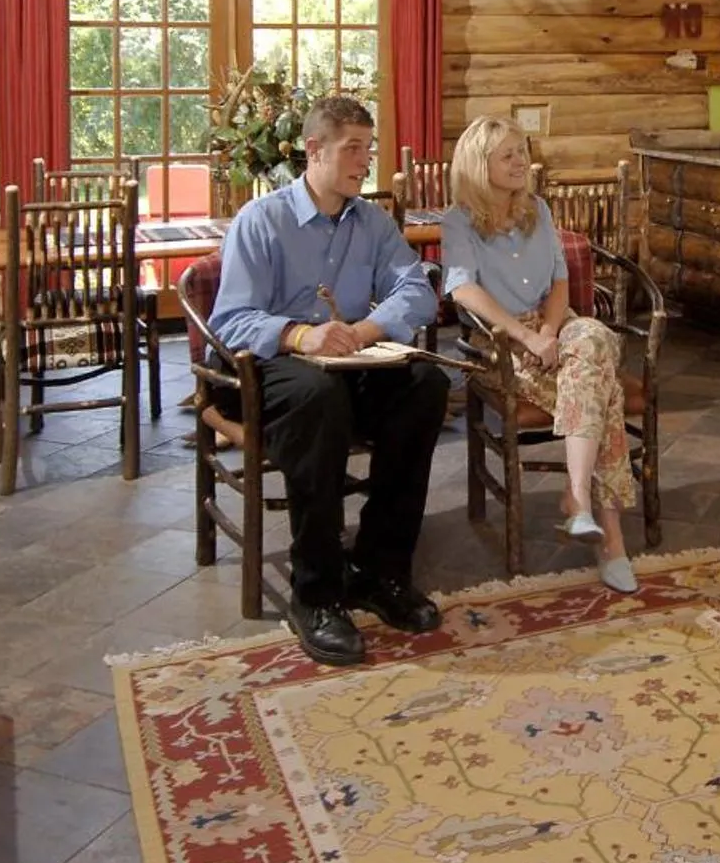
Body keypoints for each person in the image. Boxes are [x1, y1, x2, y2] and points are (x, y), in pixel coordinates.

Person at [208, 94, 448, 666]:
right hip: (268, 368)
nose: (365, 162)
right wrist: (299, 335)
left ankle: (379, 570)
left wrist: (366, 329)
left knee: (427, 385)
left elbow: (416, 291)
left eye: (369, 149)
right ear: (314, 150)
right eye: (353, 149)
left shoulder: (372, 223)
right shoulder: (260, 221)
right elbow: (230, 319)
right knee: (318, 398)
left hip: (346, 363)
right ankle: (315, 593)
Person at [440, 117, 640, 593]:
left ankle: (577, 498)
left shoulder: (539, 210)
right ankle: (610, 540)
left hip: (554, 326)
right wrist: (526, 338)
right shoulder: (458, 220)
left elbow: (559, 283)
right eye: (507, 154)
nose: (520, 162)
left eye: (521, 151)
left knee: (590, 337)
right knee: (602, 390)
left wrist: (550, 330)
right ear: (478, 162)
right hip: (502, 342)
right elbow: (462, 289)